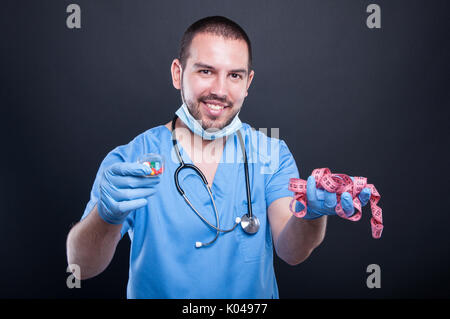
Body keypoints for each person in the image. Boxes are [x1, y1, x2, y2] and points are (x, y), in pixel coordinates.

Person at [66, 16, 372, 299]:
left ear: (248, 83)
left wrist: (313, 214)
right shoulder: (132, 159)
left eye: (234, 75)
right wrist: (106, 216)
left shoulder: (271, 153)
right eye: (205, 71)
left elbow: (291, 252)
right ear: (178, 73)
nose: (220, 90)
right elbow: (81, 266)